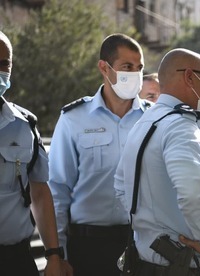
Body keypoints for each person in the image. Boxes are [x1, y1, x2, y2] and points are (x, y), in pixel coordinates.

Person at [114, 48, 200, 276]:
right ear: (189, 77)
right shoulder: (180, 126)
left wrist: (150, 227)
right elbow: (194, 194)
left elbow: (120, 186)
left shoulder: (145, 122)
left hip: (145, 258)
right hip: (179, 264)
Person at [48, 33, 150, 276]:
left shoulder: (153, 119)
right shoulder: (74, 119)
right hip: (89, 247)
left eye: (139, 68)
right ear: (104, 68)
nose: (135, 74)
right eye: (127, 67)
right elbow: (58, 190)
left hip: (144, 244)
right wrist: (56, 253)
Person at [0, 31, 69, 275]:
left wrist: (53, 255)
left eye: (4, 63)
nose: (0, 70)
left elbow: (39, 193)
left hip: (15, 259)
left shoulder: (24, 124)